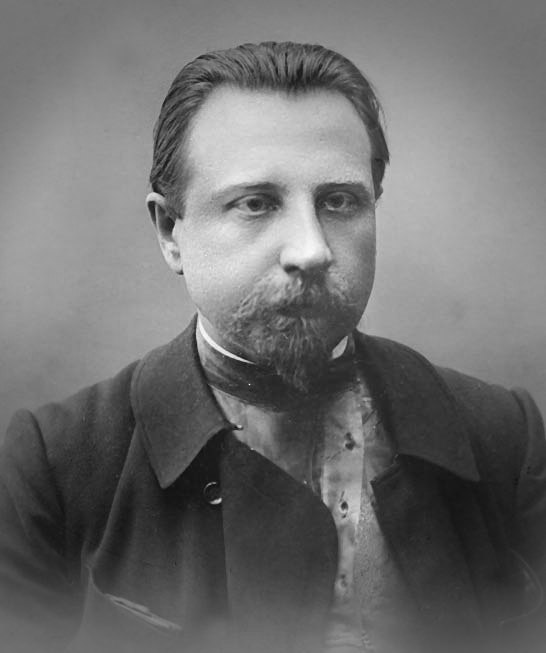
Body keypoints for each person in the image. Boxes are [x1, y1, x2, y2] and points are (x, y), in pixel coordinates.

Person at [0, 41, 545, 653]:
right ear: (170, 231)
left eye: (339, 201)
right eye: (256, 204)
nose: (311, 250)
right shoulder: (55, 465)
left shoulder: (503, 436)